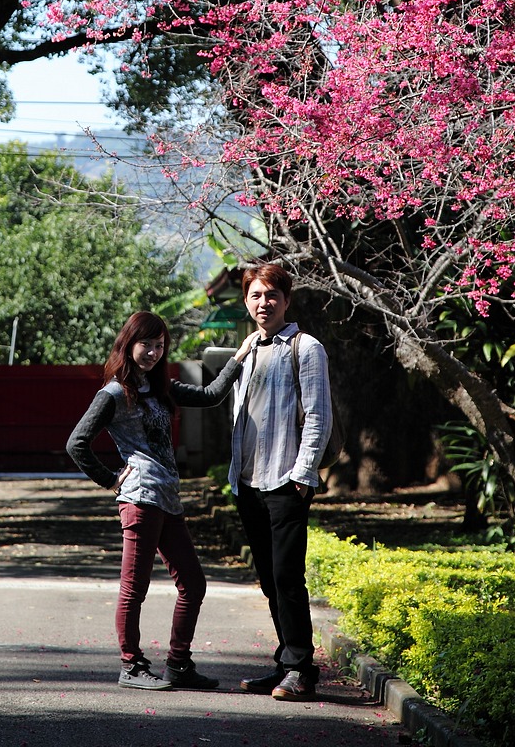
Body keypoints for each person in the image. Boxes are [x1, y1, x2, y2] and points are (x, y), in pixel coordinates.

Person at [67, 309, 253, 692]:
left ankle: (178, 664)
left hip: (168, 499)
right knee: (134, 588)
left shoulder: (161, 387)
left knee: (193, 584)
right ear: (128, 345)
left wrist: (238, 357)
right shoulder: (114, 394)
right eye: (145, 345)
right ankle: (131, 665)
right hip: (140, 500)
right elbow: (77, 443)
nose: (153, 352)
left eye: (159, 345)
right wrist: (111, 479)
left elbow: (212, 395)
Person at [229, 262, 332, 701]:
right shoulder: (249, 349)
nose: (263, 302)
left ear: (287, 300)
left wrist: (303, 474)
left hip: (286, 480)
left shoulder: (306, 348)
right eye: (255, 295)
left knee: (287, 577)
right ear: (246, 301)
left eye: (271, 295)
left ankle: (301, 670)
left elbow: (319, 415)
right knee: (270, 580)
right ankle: (285, 662)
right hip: (248, 482)